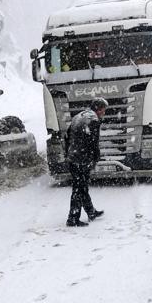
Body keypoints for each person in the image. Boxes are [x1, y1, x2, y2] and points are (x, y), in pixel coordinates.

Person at [65, 97, 108, 227]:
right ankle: (72, 219)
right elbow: (93, 142)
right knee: (79, 188)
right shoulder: (93, 120)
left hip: (73, 157)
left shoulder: (79, 116)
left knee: (81, 186)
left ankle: (91, 212)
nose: (104, 113)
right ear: (98, 109)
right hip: (82, 159)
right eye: (103, 110)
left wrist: (68, 153)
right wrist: (95, 158)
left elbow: (67, 136)